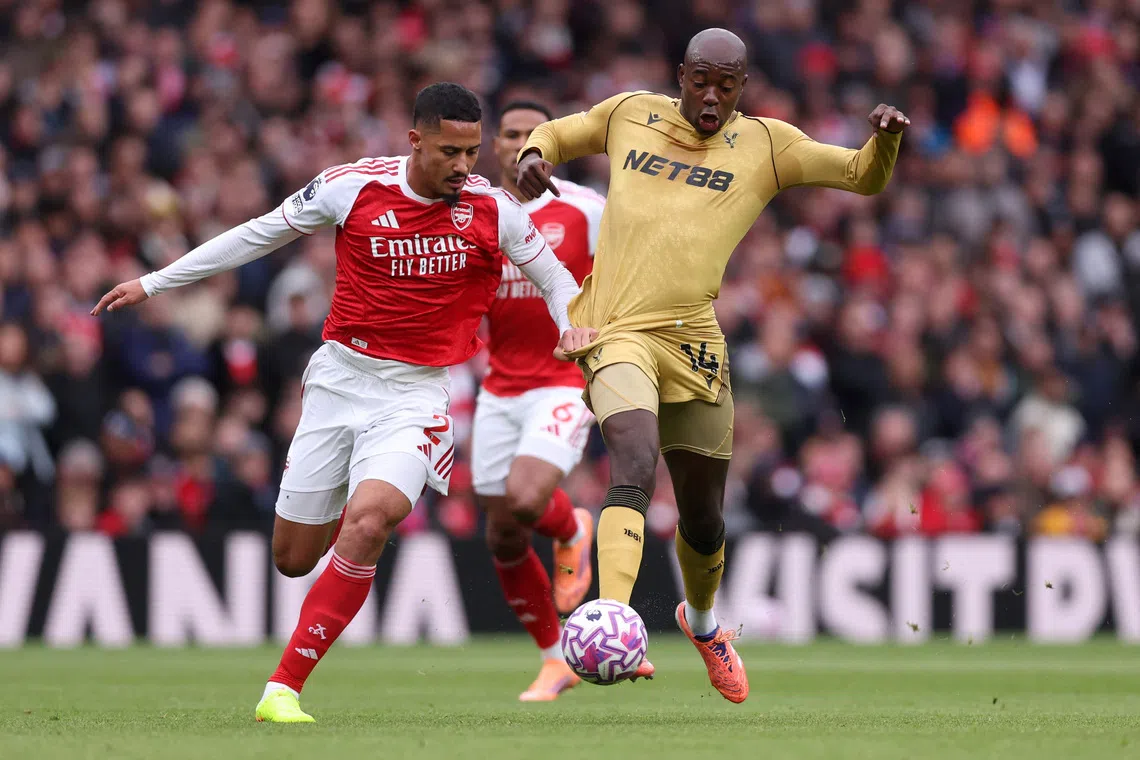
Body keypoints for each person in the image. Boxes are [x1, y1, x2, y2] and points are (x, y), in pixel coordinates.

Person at [93, 82, 594, 723]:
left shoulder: (494, 210)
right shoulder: (351, 186)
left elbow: (554, 279)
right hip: (338, 384)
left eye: (472, 152)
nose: (465, 167)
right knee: (293, 558)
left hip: (416, 394)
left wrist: (570, 327)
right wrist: (155, 282)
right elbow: (257, 235)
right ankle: (327, 565)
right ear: (415, 141)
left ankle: (283, 688)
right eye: (450, 152)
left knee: (370, 520)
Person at [516, 28, 908, 703]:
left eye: (726, 86)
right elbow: (557, 133)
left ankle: (702, 625)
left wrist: (886, 141)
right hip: (615, 331)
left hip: (694, 344)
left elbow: (859, 177)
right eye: (701, 80)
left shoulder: (766, 144)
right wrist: (530, 153)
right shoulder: (630, 112)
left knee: (704, 520)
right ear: (681, 74)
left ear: (743, 87)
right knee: (634, 462)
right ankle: (615, 618)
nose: (711, 96)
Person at [474, 101, 604, 701]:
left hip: (564, 378)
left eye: (535, 135)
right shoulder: (471, 212)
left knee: (527, 498)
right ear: (492, 145)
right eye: (511, 134)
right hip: (499, 385)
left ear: (552, 146)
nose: (522, 142)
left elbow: (623, 283)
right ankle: (556, 661)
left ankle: (572, 525)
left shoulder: (586, 210)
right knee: (502, 535)